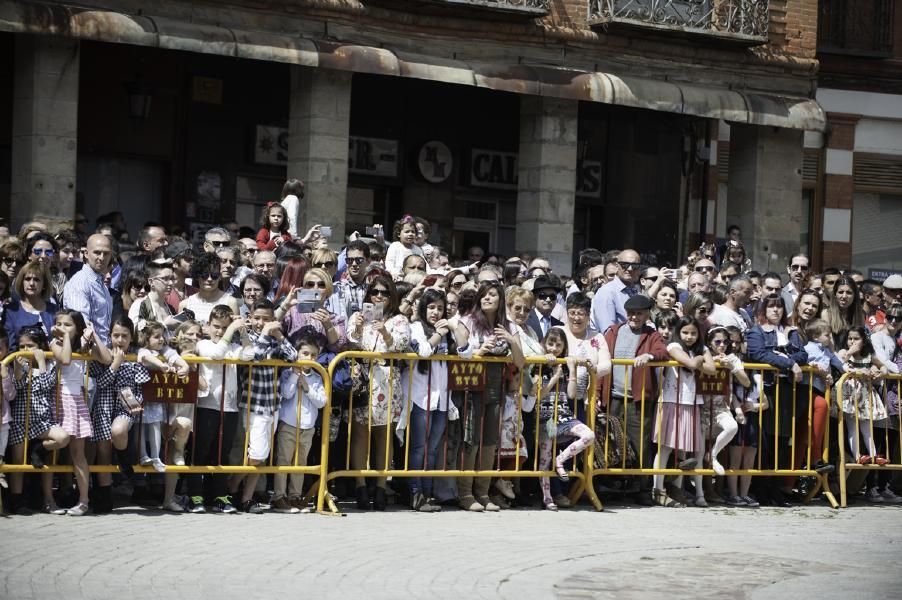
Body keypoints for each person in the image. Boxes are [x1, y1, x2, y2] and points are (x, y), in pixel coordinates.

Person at [456, 281, 524, 512]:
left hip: (496, 388)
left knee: (490, 441)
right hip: (471, 388)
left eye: (492, 294)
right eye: (483, 294)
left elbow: (520, 361)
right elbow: (460, 353)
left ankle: (483, 493)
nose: (487, 298)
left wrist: (512, 340)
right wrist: (480, 352)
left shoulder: (507, 325)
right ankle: (465, 494)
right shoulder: (467, 322)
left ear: (500, 299)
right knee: (471, 439)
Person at [346, 276, 411, 510]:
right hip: (363, 379)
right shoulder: (358, 316)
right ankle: (361, 486)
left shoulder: (399, 320)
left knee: (384, 435)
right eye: (374, 292)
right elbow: (350, 341)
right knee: (360, 434)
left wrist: (385, 333)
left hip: (387, 380)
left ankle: (382, 488)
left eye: (384, 292)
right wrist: (358, 325)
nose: (379, 296)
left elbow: (401, 344)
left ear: (392, 296)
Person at [405, 288, 470, 512]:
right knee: (418, 448)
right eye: (431, 307)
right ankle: (415, 493)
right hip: (421, 396)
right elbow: (423, 351)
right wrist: (440, 333)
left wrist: (453, 327)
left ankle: (427, 492)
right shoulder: (415, 327)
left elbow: (467, 353)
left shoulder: (447, 328)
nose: (435, 312)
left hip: (443, 398)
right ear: (423, 308)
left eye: (440, 308)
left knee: (432, 449)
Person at [602, 293, 669, 505]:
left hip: (638, 399)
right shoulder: (613, 332)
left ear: (647, 314)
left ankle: (642, 488)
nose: (634, 317)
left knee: (640, 444)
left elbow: (663, 353)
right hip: (613, 397)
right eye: (631, 313)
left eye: (639, 313)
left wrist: (649, 356)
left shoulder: (652, 335)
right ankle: (611, 485)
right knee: (611, 442)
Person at [232, 298, 298, 514]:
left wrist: (278, 335)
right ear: (250, 318)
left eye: (267, 319)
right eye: (257, 318)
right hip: (252, 405)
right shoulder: (246, 337)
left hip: (272, 405)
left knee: (261, 456)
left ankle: (246, 499)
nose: (262, 323)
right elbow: (256, 357)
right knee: (256, 455)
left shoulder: (273, 339)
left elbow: (293, 356)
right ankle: (230, 488)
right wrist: (264, 334)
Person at [187, 304, 254, 514]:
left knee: (221, 454)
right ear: (207, 326)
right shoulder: (204, 344)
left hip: (229, 408)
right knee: (201, 452)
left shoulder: (232, 347)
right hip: (206, 406)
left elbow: (249, 354)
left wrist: (242, 332)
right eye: (216, 326)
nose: (219, 331)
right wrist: (231, 329)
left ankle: (219, 496)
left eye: (223, 327)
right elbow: (216, 354)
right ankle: (195, 495)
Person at [746, 294, 807, 506]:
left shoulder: (790, 332)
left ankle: (775, 487)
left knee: (781, 442)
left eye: (779, 307)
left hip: (786, 391)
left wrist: (785, 356)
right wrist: (788, 363)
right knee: (765, 441)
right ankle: (761, 488)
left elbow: (803, 355)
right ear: (763, 309)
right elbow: (758, 354)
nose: (776, 311)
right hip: (767, 389)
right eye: (771, 307)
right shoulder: (757, 331)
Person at [49, 310, 111, 516]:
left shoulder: (84, 347)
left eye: (68, 325)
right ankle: (49, 499)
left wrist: (94, 336)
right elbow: (65, 359)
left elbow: (107, 358)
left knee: (78, 453)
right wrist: (65, 336)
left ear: (78, 327)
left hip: (77, 400)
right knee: (56, 451)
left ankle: (83, 500)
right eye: (59, 323)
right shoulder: (54, 343)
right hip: (59, 398)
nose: (62, 327)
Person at [651, 316, 715, 508]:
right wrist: (698, 358)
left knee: (684, 451)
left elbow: (712, 369)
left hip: (691, 401)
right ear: (678, 332)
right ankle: (658, 488)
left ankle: (676, 488)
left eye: (693, 333)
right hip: (672, 400)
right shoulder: (673, 347)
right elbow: (692, 364)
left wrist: (700, 357)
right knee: (665, 448)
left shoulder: (702, 348)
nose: (689, 337)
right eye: (685, 332)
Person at [88, 315, 150, 512]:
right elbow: (101, 383)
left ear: (131, 337)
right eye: (116, 335)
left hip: (126, 405)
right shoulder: (101, 354)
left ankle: (123, 457)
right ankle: (104, 495)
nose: (120, 340)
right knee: (103, 453)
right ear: (110, 335)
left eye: (124, 336)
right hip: (103, 407)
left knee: (119, 431)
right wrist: (115, 364)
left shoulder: (136, 356)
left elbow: (140, 384)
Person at [7, 326, 70, 514]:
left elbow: (45, 386)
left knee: (62, 438)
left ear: (41, 346)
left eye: (31, 346)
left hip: (42, 420)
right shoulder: (18, 364)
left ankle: (39, 449)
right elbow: (17, 385)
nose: (26, 350)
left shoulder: (50, 365)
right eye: (22, 346)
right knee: (19, 462)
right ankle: (17, 501)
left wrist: (42, 363)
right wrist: (18, 367)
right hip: (20, 420)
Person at [532, 330, 595, 511]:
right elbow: (538, 394)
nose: (554, 348)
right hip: (547, 417)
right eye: (551, 344)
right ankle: (547, 497)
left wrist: (572, 369)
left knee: (589, 435)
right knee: (544, 460)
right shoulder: (539, 365)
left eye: (558, 345)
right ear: (544, 344)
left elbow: (572, 394)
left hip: (565, 415)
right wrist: (553, 378)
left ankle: (560, 460)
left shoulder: (566, 365)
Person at [271, 327, 327, 514]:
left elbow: (321, 402)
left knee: (300, 463)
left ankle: (295, 495)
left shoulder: (318, 377)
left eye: (313, 355)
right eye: (305, 354)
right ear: (297, 353)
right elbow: (285, 393)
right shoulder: (288, 372)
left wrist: (308, 389)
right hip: (289, 423)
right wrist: (296, 376)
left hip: (307, 427)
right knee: (284, 460)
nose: (309, 358)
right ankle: (279, 496)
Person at [837, 326, 888, 467]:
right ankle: (857, 455)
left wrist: (881, 372)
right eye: (850, 338)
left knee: (867, 428)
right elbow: (840, 362)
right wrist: (849, 352)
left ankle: (873, 455)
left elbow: (882, 366)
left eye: (856, 339)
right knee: (852, 427)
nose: (852, 341)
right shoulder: (844, 352)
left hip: (865, 395)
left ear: (864, 341)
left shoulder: (869, 355)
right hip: (850, 393)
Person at [63, 233, 113, 344]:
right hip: (88, 355)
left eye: (106, 253)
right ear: (86, 253)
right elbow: (81, 325)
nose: (102, 258)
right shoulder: (80, 282)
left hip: (102, 353)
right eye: (97, 252)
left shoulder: (101, 283)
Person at [5, 262, 57, 350]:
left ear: (44, 284)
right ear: (22, 282)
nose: (32, 283)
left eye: (36, 279)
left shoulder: (54, 310)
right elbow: (10, 346)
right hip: (20, 361)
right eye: (27, 279)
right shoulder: (11, 311)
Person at [591, 249, 642, 334]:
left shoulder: (635, 291)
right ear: (617, 266)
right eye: (625, 265)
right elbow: (608, 333)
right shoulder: (607, 292)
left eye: (634, 266)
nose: (629, 269)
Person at [180, 252, 240, 324]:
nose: (209, 279)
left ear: (220, 277)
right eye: (204, 275)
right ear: (197, 276)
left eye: (214, 275)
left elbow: (236, 333)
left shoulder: (231, 302)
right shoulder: (185, 305)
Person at [822, 275, 864, 348]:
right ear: (835, 294)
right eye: (840, 292)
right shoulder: (826, 314)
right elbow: (829, 346)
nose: (844, 296)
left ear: (855, 296)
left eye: (849, 292)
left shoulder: (860, 315)